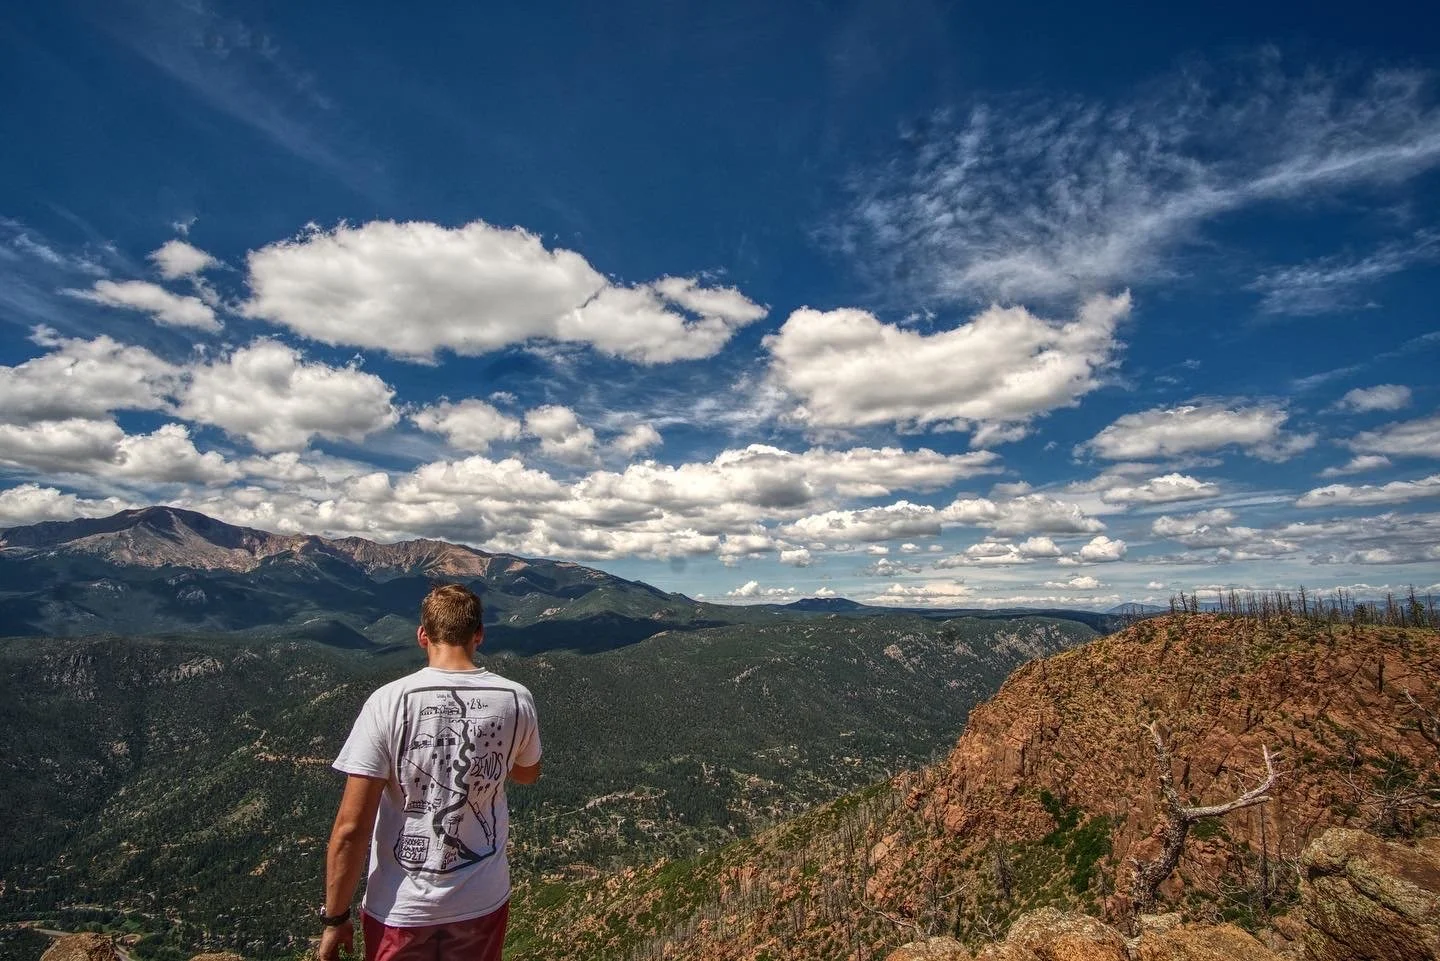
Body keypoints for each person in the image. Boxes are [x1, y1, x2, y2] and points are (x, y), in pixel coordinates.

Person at [317, 583, 542, 961]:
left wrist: (335, 917)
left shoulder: (387, 702)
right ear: (479, 635)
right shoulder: (516, 698)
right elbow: (527, 773)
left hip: (400, 906)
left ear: (422, 635)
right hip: (481, 900)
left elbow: (351, 828)